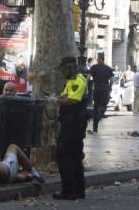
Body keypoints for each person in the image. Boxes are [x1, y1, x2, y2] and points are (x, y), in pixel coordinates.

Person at [53, 56, 88, 200]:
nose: (62, 72)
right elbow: (64, 95)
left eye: (63, 69)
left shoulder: (79, 80)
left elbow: (72, 100)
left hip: (74, 123)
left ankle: (68, 190)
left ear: (70, 67)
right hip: (72, 122)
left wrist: (55, 100)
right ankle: (78, 190)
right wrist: (56, 97)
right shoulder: (71, 80)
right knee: (75, 156)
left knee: (64, 155)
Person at [90, 55, 114, 133]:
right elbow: (112, 80)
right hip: (105, 88)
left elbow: (89, 77)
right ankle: (100, 114)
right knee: (102, 106)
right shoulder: (108, 69)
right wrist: (110, 88)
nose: (97, 60)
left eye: (98, 59)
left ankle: (95, 125)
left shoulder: (94, 67)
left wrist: (89, 84)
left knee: (96, 106)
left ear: (100, 59)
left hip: (97, 88)